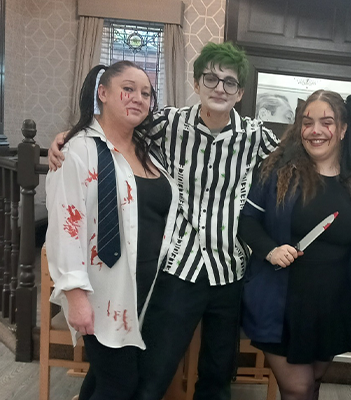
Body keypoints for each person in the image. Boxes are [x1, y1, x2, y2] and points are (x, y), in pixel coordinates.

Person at [49, 42, 279, 400]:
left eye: (230, 82)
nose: (220, 88)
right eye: (211, 79)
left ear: (240, 93)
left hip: (229, 270)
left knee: (219, 374)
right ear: (196, 83)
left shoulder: (256, 136)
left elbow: (294, 161)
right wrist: (72, 135)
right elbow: (115, 128)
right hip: (178, 268)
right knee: (154, 371)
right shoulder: (167, 124)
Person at [45, 61, 178, 400]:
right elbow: (65, 226)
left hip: (147, 286)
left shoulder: (149, 152)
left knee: (105, 379)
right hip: (102, 290)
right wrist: (75, 295)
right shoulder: (77, 151)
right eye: (128, 89)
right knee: (120, 384)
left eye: (145, 93)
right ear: (103, 93)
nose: (138, 98)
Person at [238, 90, 351, 400]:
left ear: (343, 129)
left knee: (313, 385)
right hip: (282, 305)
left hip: (333, 305)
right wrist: (270, 250)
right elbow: (247, 221)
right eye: (307, 122)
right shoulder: (277, 172)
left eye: (326, 122)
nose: (315, 130)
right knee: (298, 389)